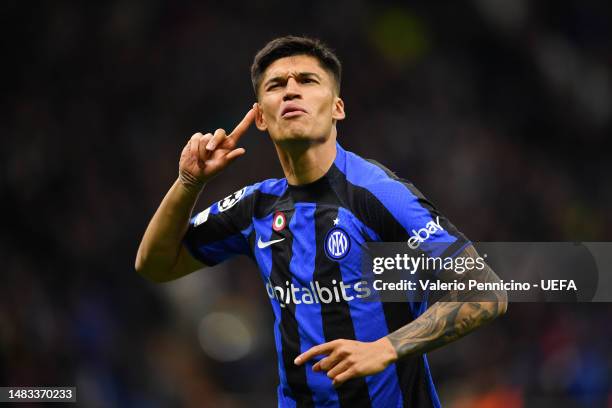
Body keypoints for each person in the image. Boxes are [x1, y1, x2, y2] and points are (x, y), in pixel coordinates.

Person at [135, 35, 507, 407]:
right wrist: (188, 183)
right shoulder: (256, 206)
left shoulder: (378, 194)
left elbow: (486, 291)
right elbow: (155, 265)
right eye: (276, 85)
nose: (290, 92)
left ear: (337, 108)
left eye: (307, 81)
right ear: (261, 117)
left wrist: (384, 349)